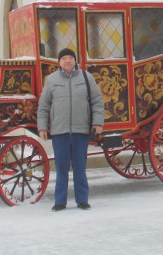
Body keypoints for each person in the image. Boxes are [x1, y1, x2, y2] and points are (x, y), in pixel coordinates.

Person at [38, 48, 104, 211]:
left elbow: (97, 101)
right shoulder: (52, 80)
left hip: (81, 129)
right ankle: (60, 202)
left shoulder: (86, 77)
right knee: (61, 167)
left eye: (70, 58)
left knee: (80, 166)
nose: (67, 61)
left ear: (75, 61)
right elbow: (44, 105)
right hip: (59, 131)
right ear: (59, 62)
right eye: (64, 58)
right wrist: (42, 127)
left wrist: (98, 123)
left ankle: (82, 200)